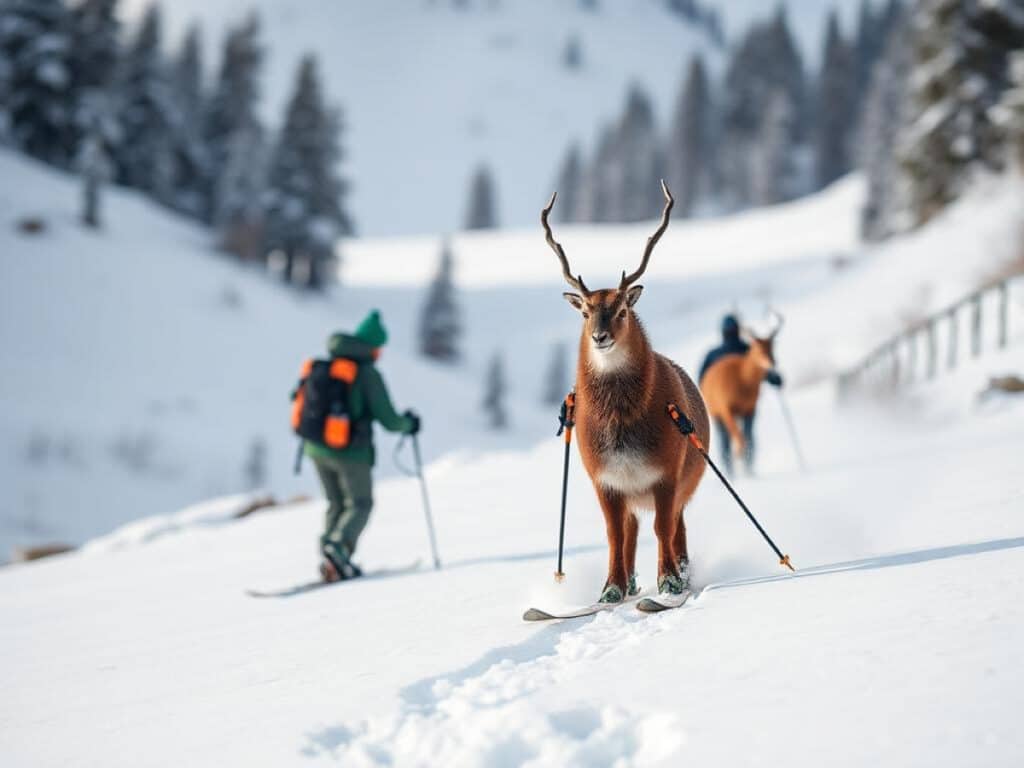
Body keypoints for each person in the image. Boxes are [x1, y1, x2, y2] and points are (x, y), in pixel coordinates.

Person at [304, 310, 420, 582]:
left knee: (335, 503)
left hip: (315, 447)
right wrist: (409, 425)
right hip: (350, 451)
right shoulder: (366, 374)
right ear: (373, 347)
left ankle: (330, 558)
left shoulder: (326, 365)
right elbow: (389, 419)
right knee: (360, 503)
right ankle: (339, 550)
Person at [698, 313, 783, 475]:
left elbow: (701, 378)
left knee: (726, 436)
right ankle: (746, 468)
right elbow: (760, 366)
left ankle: (732, 471)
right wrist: (774, 378)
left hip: (722, 405)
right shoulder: (746, 348)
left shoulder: (715, 353)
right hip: (736, 403)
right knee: (746, 433)